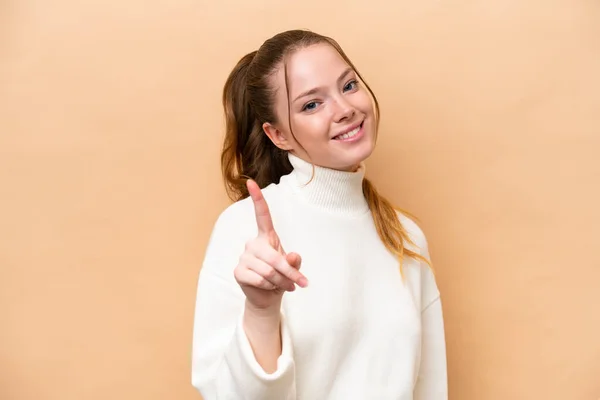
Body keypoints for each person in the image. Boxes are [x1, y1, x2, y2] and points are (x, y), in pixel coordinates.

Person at [191, 29, 447, 400]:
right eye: (312, 104)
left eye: (348, 85)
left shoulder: (405, 236)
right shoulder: (245, 229)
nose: (345, 109)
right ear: (278, 135)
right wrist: (261, 313)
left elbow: (430, 387)